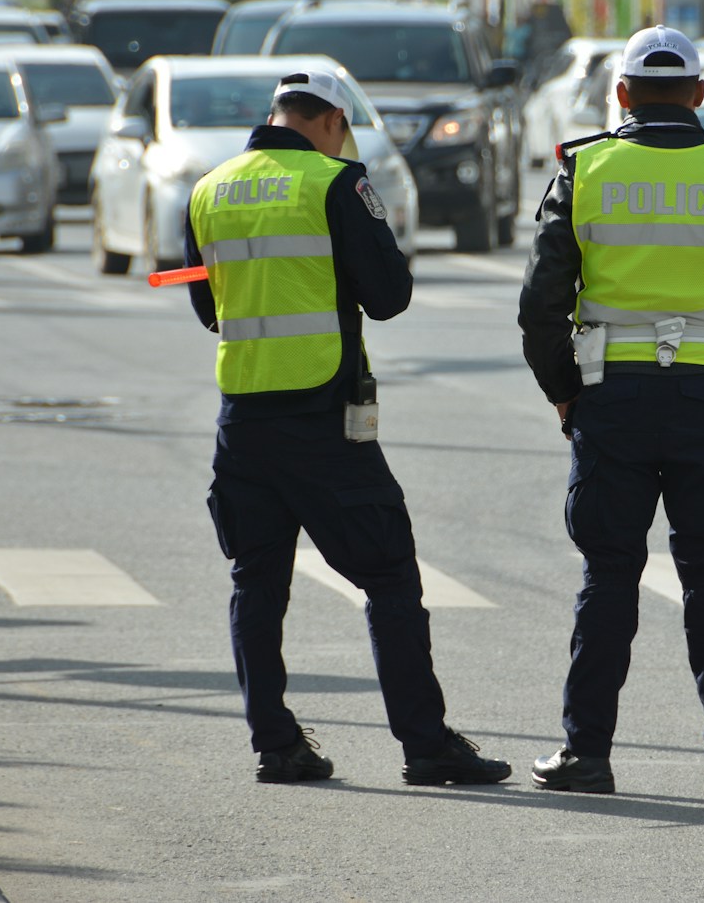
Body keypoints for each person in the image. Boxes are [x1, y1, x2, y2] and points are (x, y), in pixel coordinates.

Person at [182, 69, 510, 787]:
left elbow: (210, 309)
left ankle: (275, 743)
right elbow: (389, 295)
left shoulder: (210, 188)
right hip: (323, 418)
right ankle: (426, 743)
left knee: (256, 582)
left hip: (242, 418)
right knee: (390, 574)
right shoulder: (335, 184)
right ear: (331, 119)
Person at [517, 25, 704, 795]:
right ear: (699, 94)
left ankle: (586, 754)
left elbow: (540, 306)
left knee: (609, 573)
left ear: (621, 94)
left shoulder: (587, 169)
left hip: (611, 399)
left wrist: (564, 391)